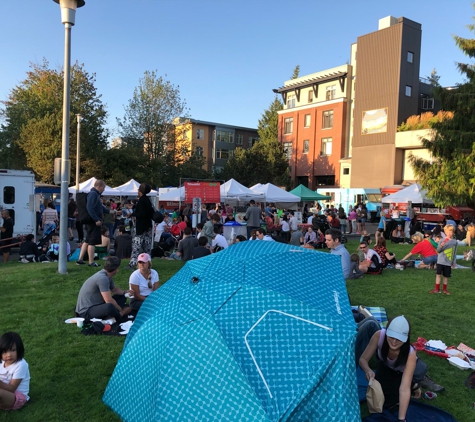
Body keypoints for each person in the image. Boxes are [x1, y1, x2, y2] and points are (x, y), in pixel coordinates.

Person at [358, 315, 428, 417]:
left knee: (390, 402)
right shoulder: (379, 335)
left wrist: (401, 419)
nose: (394, 342)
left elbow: (404, 388)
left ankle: (415, 384)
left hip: (404, 371)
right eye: (391, 336)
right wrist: (367, 370)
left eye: (399, 339)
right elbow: (363, 359)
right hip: (386, 365)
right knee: (380, 396)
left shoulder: (410, 354)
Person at [75, 256, 133, 320]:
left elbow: (114, 289)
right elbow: (108, 300)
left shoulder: (107, 275)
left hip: (97, 303)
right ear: (116, 269)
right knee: (109, 307)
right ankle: (119, 315)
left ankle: (113, 313)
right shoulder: (102, 278)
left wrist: (125, 292)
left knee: (122, 296)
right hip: (86, 311)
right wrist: (121, 310)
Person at [77, 180, 111, 267]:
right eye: (103, 187)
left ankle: (80, 259)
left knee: (87, 240)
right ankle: (91, 262)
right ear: (99, 187)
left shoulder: (94, 194)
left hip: (90, 220)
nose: (104, 189)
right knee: (92, 241)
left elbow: (100, 208)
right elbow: (90, 208)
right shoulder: (94, 194)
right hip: (93, 221)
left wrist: (111, 211)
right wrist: (96, 219)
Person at [0, 332, 30, 411]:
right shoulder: (1, 362)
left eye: (13, 350)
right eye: (5, 352)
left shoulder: (21, 365)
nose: (9, 355)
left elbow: (12, 389)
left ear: (19, 349)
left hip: (16, 397)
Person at [127, 183, 154, 270]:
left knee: (136, 245)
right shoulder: (148, 200)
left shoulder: (141, 201)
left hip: (140, 227)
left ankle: (133, 263)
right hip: (148, 226)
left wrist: (132, 214)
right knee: (147, 246)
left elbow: (141, 214)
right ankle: (148, 263)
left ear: (140, 191)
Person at [431, 225, 457, 295]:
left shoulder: (455, 242)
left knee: (446, 276)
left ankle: (445, 289)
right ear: (445, 232)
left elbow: (454, 252)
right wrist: (441, 245)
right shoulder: (442, 240)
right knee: (438, 275)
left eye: (451, 232)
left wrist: (454, 262)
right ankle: (437, 289)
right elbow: (438, 250)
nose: (449, 233)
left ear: (453, 232)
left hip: (448, 262)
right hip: (440, 261)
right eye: (448, 231)